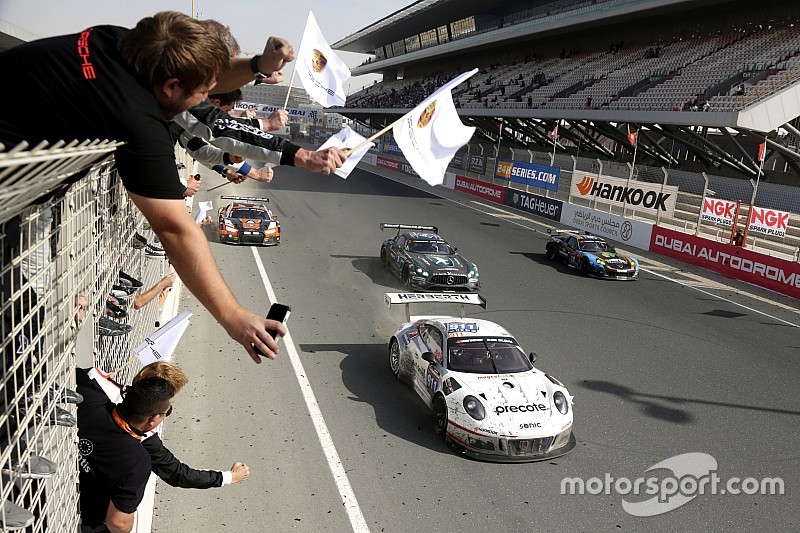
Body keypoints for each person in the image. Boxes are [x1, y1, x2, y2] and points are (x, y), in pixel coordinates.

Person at [0, 12, 347, 363]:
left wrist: (258, 65)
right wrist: (232, 316)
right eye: (203, 92)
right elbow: (175, 230)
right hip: (11, 198)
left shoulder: (127, 43)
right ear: (171, 87)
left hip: (21, 174)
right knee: (22, 319)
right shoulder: (136, 120)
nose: (206, 100)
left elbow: (209, 108)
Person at [76, 368, 174, 533]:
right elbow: (118, 523)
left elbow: (74, 372)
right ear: (154, 418)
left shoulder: (90, 395)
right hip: (78, 517)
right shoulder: (137, 462)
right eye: (167, 412)